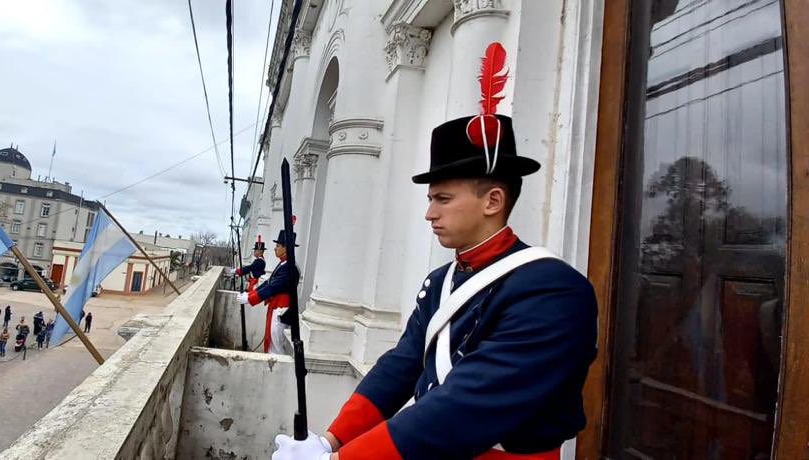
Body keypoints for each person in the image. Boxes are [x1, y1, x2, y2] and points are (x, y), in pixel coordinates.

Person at [269, 59, 598, 459]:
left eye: (442, 199)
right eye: (430, 200)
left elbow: (465, 407)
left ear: (493, 200)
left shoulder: (553, 290)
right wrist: (332, 439)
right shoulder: (443, 280)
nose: (430, 213)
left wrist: (342, 459)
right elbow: (402, 364)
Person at [237, 230, 301, 354]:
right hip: (277, 307)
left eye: (278, 246)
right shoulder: (284, 264)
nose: (275, 249)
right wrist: (251, 294)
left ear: (286, 248)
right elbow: (269, 282)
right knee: (272, 341)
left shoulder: (289, 267)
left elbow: (273, 287)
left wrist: (251, 299)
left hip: (281, 310)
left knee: (276, 345)